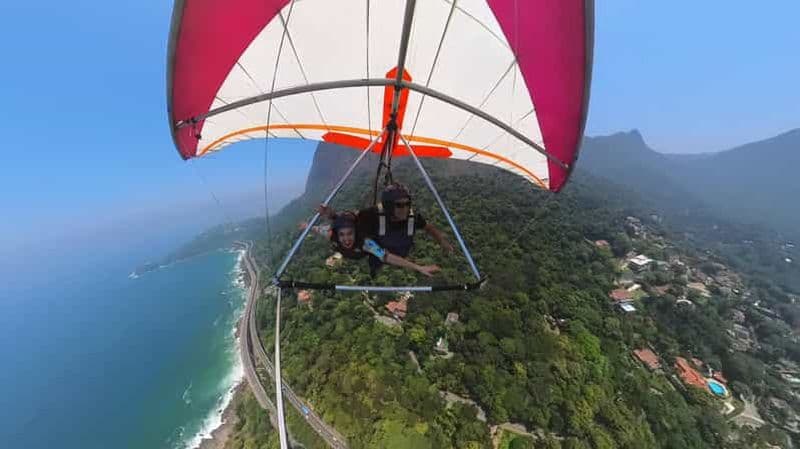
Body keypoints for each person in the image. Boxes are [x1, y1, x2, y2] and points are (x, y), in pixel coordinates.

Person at [319, 183, 454, 274]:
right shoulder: (372, 214)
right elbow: (350, 220)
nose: (405, 209)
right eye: (399, 205)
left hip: (399, 253)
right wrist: (333, 216)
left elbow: (428, 227)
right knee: (374, 261)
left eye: (407, 204)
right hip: (379, 252)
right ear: (389, 206)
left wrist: (442, 240)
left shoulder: (413, 217)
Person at [301, 210, 441, 277]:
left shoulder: (365, 243)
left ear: (355, 232)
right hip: (350, 248)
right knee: (337, 220)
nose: (346, 239)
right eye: (342, 235)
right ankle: (333, 214)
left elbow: (387, 257)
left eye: (350, 233)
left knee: (377, 258)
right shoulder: (332, 235)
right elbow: (317, 229)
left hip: (363, 251)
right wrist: (307, 226)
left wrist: (418, 267)